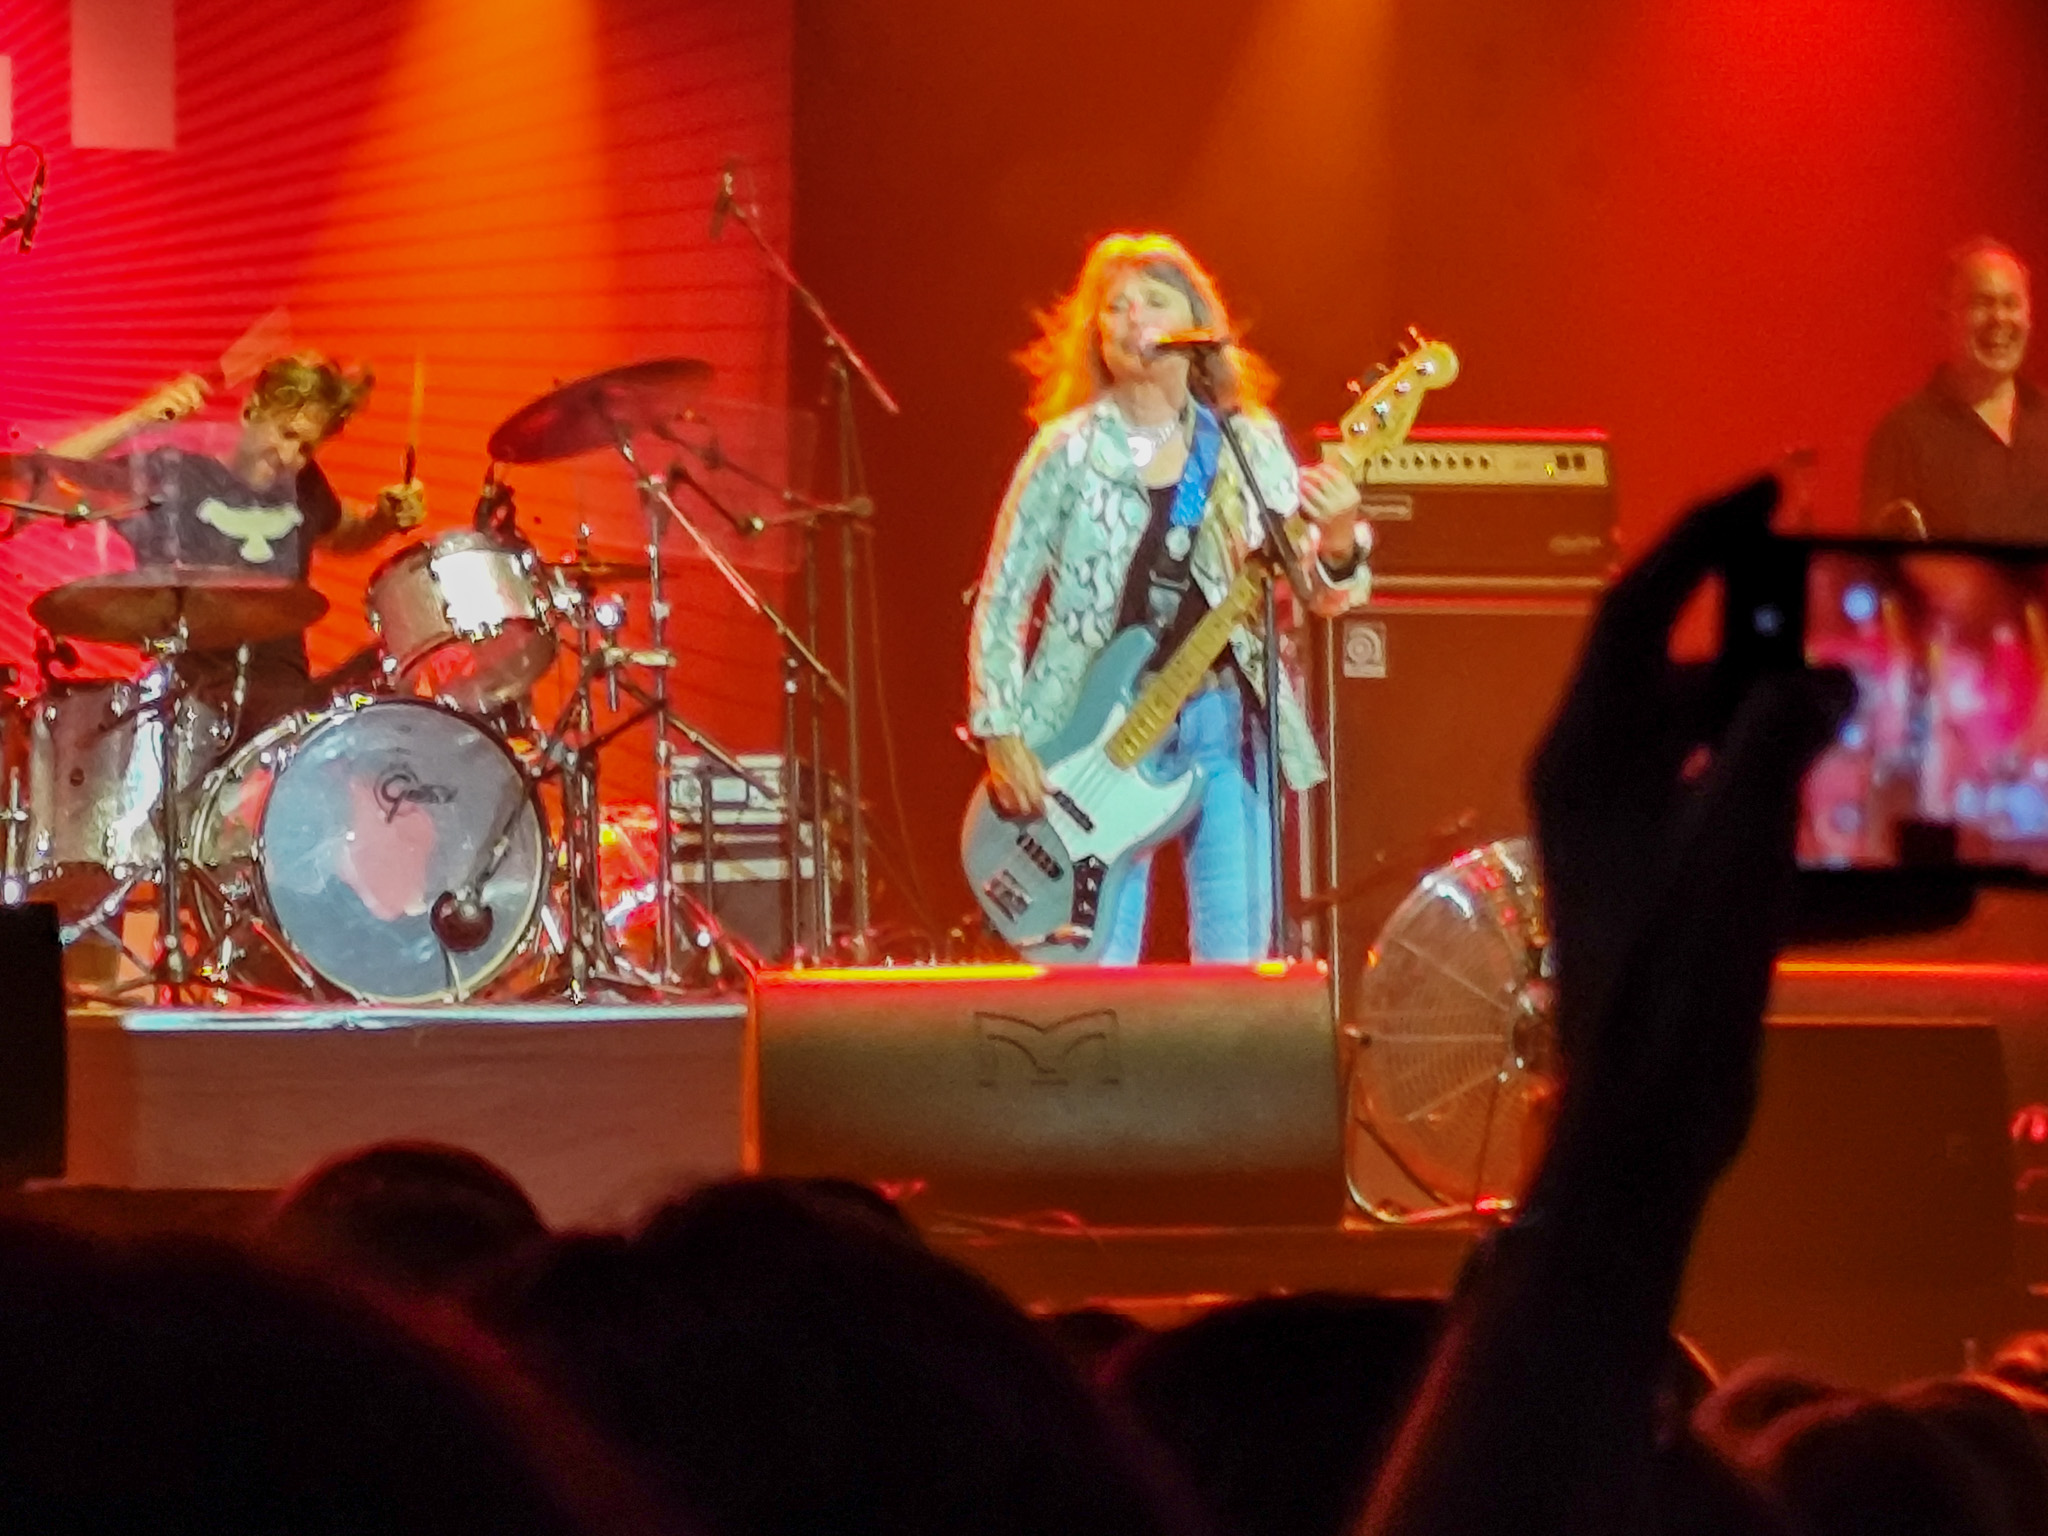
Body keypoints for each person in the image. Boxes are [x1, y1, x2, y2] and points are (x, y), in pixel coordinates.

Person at [966, 232, 1368, 963]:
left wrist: (1338, 539)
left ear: (1196, 324)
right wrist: (1000, 729)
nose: (1132, 319)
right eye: (1114, 307)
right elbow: (1003, 593)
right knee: (1096, 979)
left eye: (1153, 300)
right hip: (1090, 740)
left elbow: (1313, 592)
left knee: (1237, 971)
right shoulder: (1066, 451)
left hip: (1223, 725)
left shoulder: (1247, 444)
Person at [47, 352, 425, 733]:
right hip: (191, 705)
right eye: (286, 433)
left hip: (283, 705)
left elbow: (342, 536)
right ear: (250, 411)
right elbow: (43, 472)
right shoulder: (174, 475)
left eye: (306, 447)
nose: (289, 456)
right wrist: (139, 418)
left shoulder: (305, 483)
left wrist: (383, 520)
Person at [1862, 239, 2048, 541]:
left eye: (2011, 303)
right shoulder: (1904, 437)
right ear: (1945, 316)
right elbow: (1884, 563)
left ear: (2029, 316)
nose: (1999, 318)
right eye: (1982, 303)